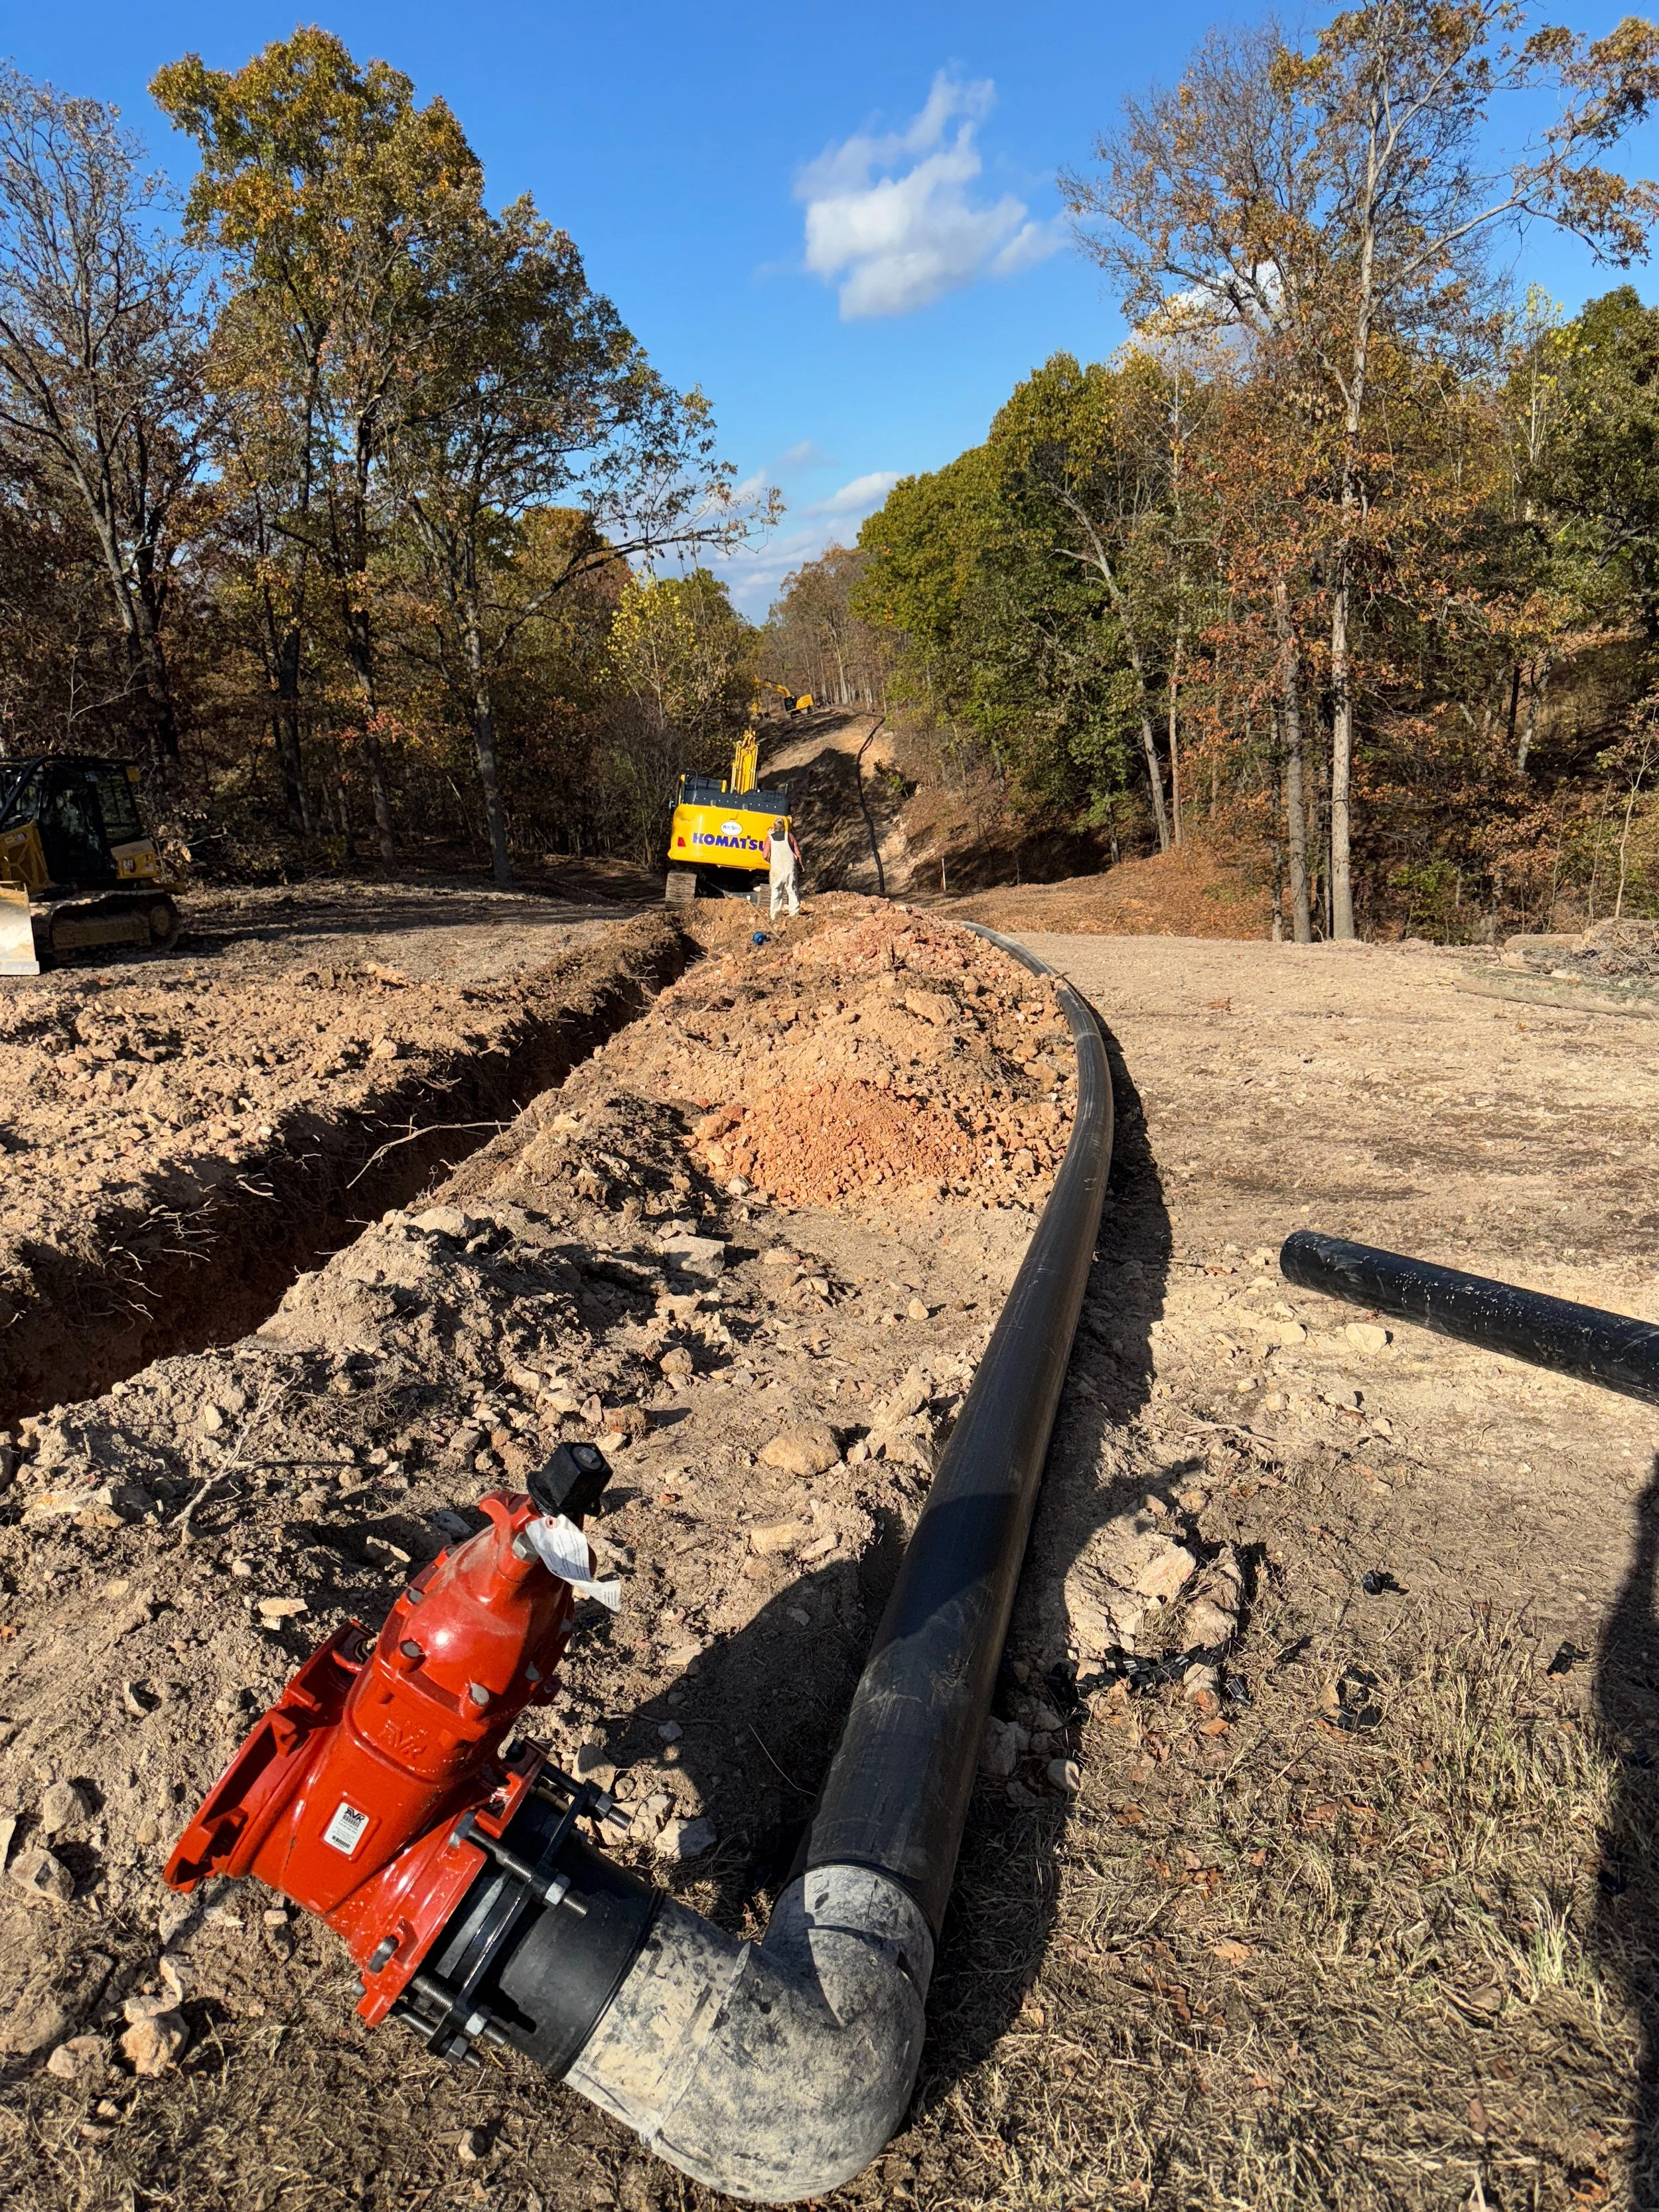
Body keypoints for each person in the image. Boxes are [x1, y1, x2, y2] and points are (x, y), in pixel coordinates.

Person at [768, 816, 801, 921]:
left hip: (777, 870)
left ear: (774, 826)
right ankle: (794, 913)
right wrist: (800, 865)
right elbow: (798, 853)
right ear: (784, 827)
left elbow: (765, 855)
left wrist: (771, 861)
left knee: (776, 891)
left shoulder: (770, 839)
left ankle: (774, 915)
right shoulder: (790, 836)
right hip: (789, 868)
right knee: (792, 890)